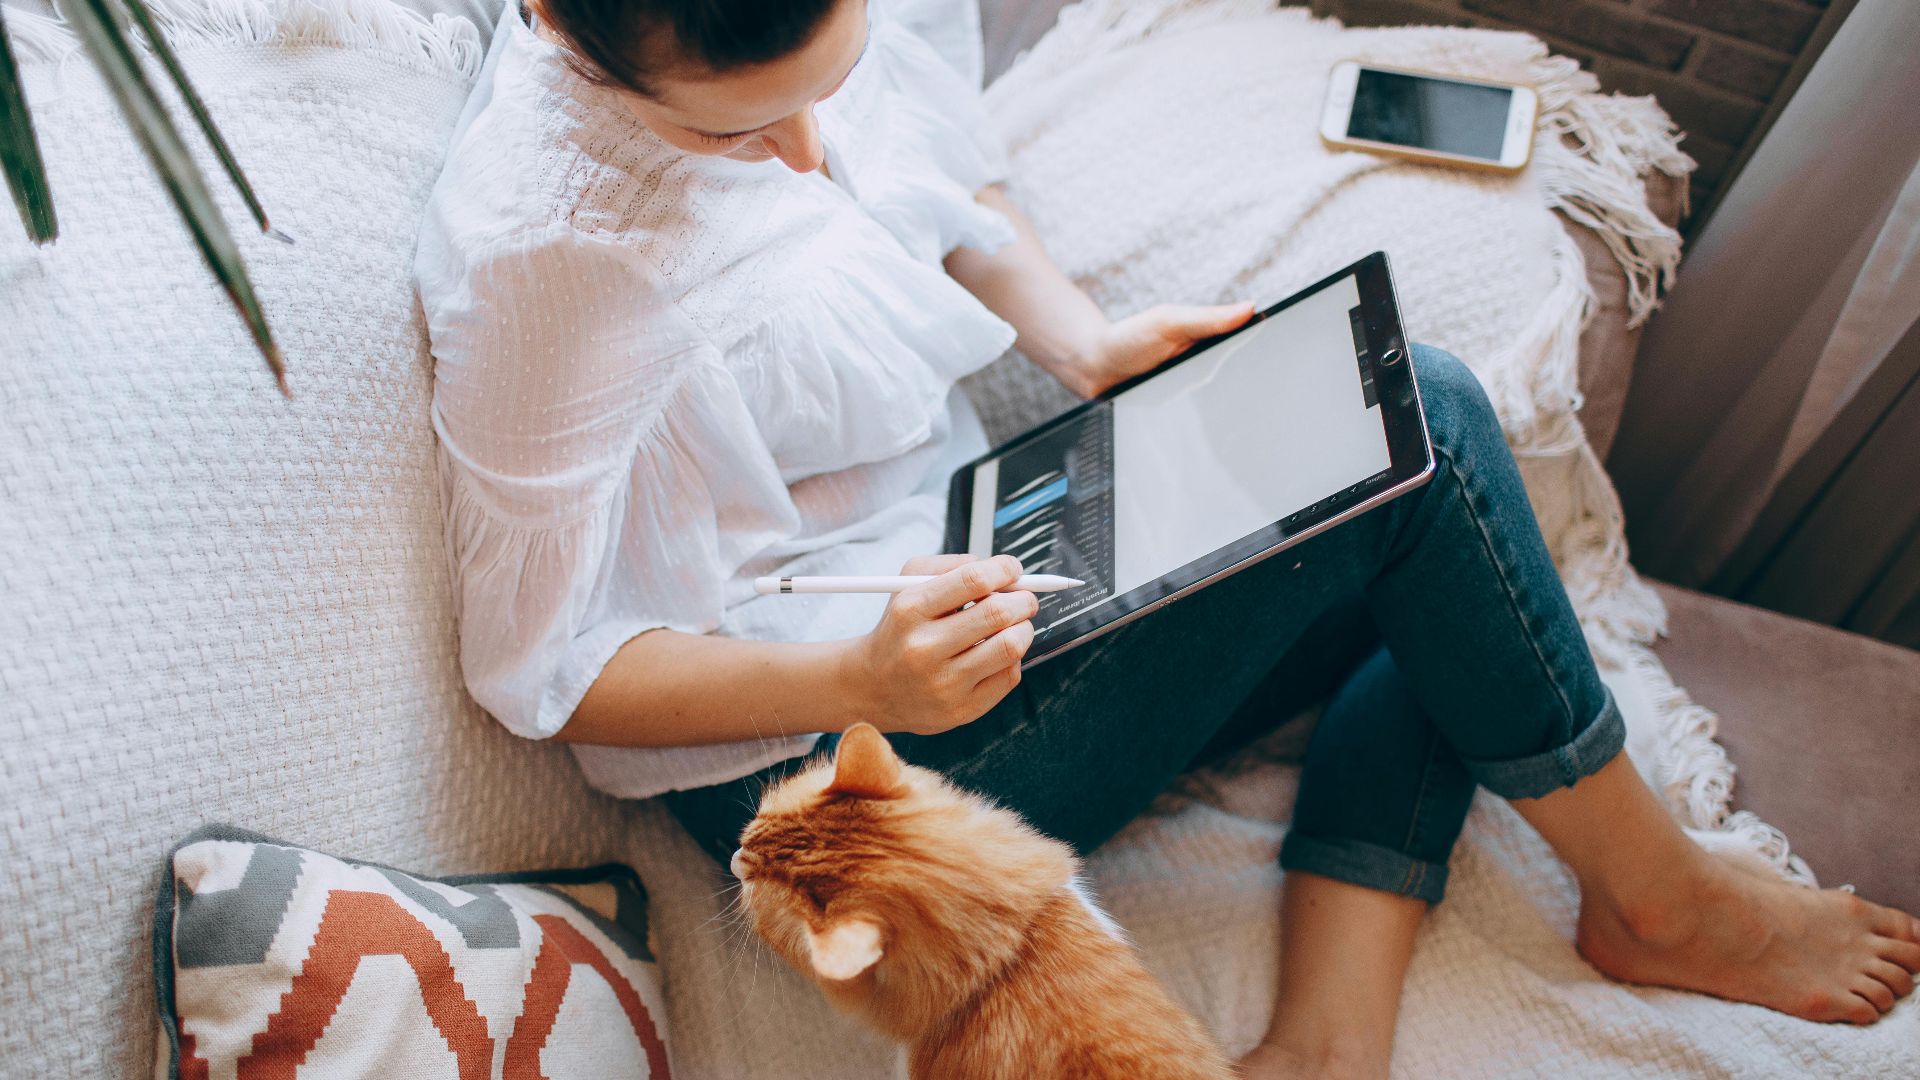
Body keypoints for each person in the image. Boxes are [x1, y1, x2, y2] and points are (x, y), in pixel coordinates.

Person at [413, 1, 1920, 1075]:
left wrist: (1084, 343)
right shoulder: (550, 259)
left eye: (833, 80)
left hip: (971, 560)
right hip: (834, 766)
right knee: (1435, 433)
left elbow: (939, 172)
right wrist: (862, 681)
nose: (813, 153)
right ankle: (1661, 897)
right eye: (743, 129)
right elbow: (544, 670)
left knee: (1431, 522)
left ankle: (1326, 1044)